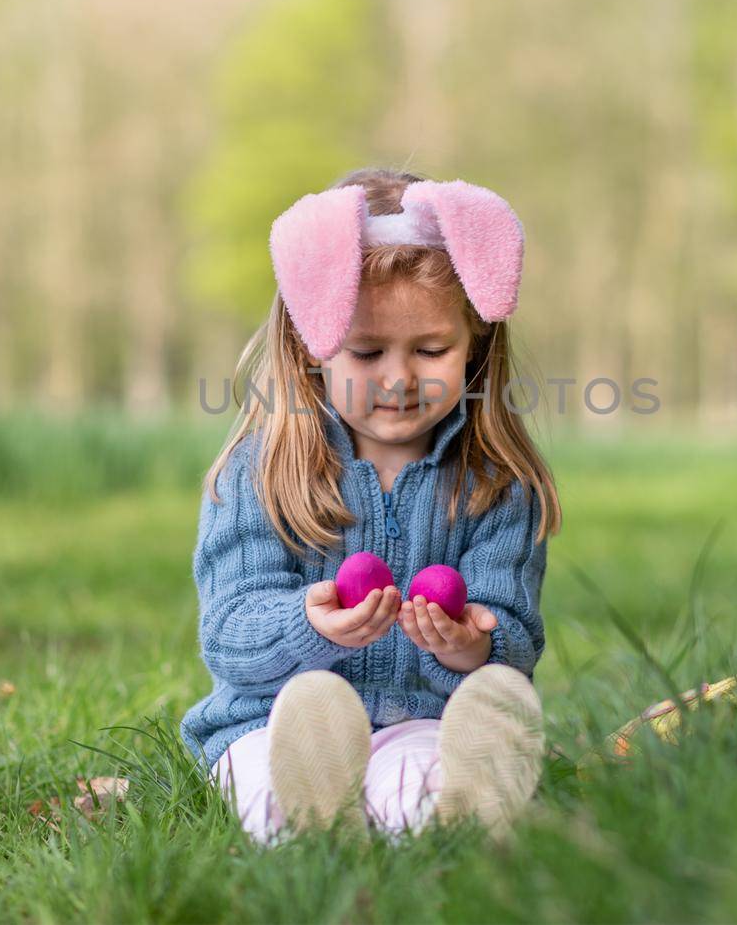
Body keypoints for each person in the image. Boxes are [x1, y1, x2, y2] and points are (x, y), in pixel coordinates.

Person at [179, 167, 563, 843]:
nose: (399, 377)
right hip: (270, 720)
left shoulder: (495, 481)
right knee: (271, 784)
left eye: (432, 349)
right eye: (367, 350)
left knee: (418, 792)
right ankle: (312, 819)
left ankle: (459, 820)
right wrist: (309, 624)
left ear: (476, 342)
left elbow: (515, 631)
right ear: (312, 341)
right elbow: (230, 632)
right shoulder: (263, 470)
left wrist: (477, 643)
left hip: (421, 720)